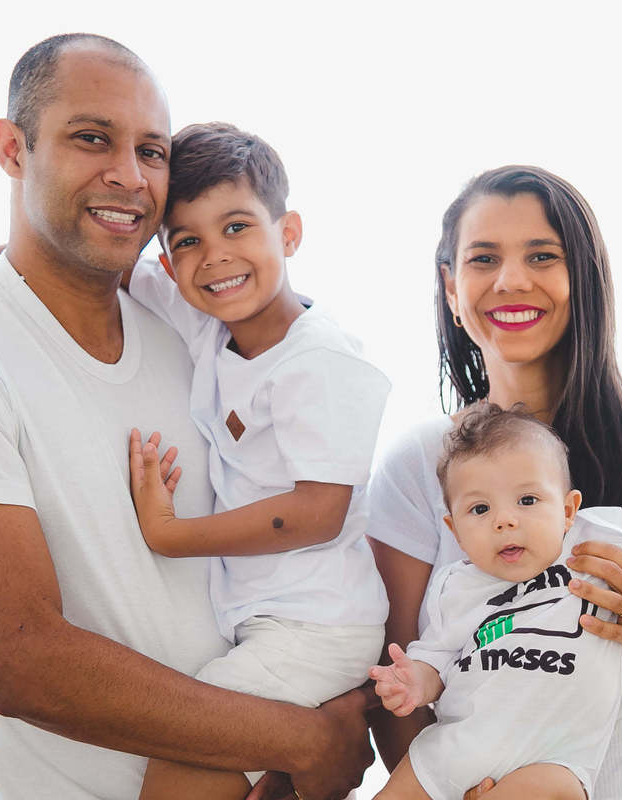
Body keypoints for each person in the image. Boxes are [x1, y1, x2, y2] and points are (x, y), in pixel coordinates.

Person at [0, 33, 372, 800]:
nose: (130, 176)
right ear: (12, 149)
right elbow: (23, 660)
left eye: (152, 151)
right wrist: (304, 741)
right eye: (92, 138)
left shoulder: (190, 329)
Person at [366, 166, 622, 798]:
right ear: (452, 289)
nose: (512, 280)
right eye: (484, 259)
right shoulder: (418, 463)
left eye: (542, 255)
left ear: (585, 279)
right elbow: (395, 677)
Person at [124, 122, 390, 798]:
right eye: (188, 241)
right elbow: (102, 259)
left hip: (317, 627)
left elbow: (318, 512)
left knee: (177, 771)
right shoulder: (209, 324)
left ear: (289, 233)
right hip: (267, 622)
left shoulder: (319, 360)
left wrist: (170, 535)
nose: (215, 257)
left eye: (237, 227)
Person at [369, 403, 622, 800]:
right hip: (454, 749)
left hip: (551, 761)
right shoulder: (456, 586)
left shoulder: (598, 536)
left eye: (528, 500)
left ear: (568, 510)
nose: (505, 520)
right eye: (480, 509)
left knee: (556, 791)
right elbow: (437, 659)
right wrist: (415, 682)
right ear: (455, 530)